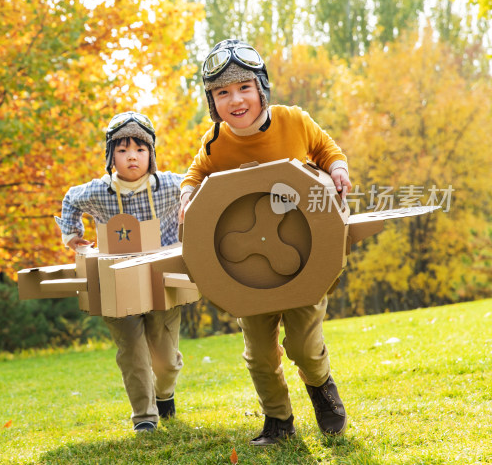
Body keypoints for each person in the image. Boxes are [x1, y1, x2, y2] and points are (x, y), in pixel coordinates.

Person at [178, 39, 352, 446]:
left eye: (244, 88)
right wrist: (187, 195)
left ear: (261, 89)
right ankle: (278, 421)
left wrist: (339, 170)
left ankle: (322, 389)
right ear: (212, 101)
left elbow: (327, 149)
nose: (235, 100)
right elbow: (195, 172)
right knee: (258, 353)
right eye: (223, 93)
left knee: (304, 347)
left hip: (302, 257)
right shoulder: (215, 141)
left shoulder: (293, 120)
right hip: (249, 271)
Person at [55, 111, 185, 433]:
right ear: (111, 154)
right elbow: (71, 198)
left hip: (161, 282)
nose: (132, 158)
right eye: (123, 150)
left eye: (140, 150)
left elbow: (197, 191)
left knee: (165, 360)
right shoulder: (100, 191)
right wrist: (72, 234)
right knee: (132, 351)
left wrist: (191, 222)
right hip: (116, 282)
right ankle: (144, 417)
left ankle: (164, 393)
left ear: (151, 154)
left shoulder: (170, 185)